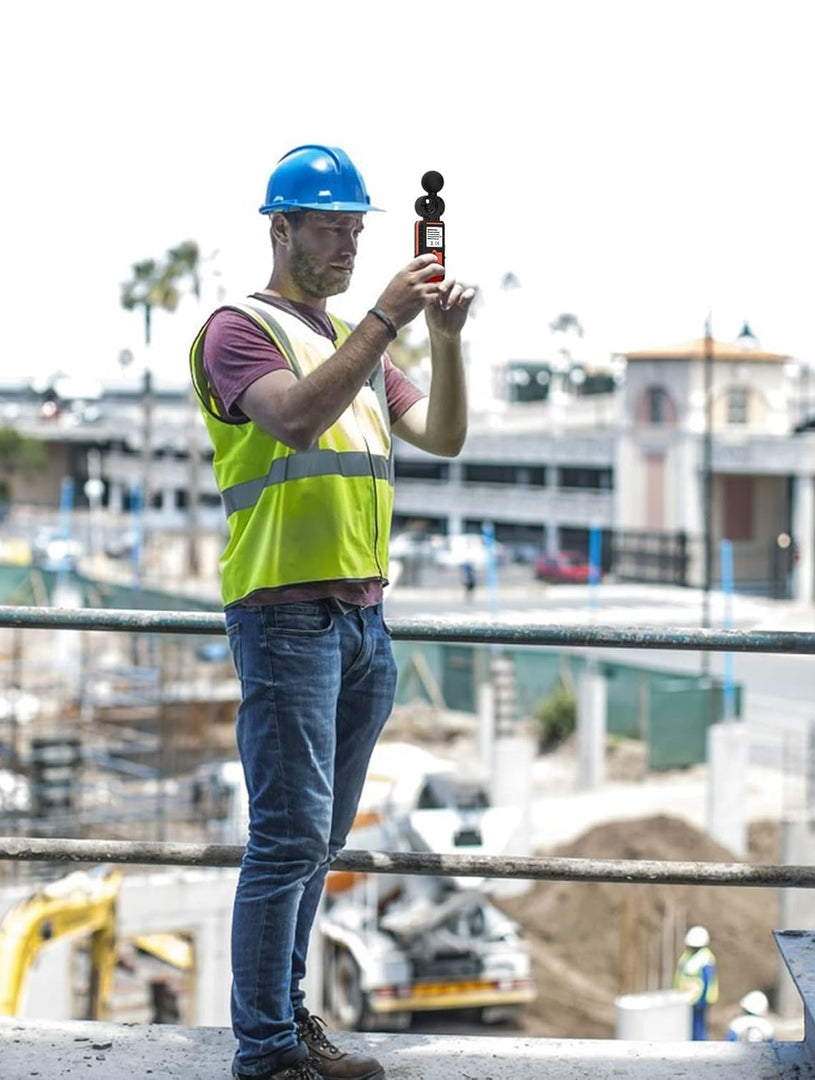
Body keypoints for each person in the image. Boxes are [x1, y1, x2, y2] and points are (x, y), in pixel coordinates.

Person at [189, 145, 474, 1080]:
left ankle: (289, 1023)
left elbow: (441, 434)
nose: (349, 245)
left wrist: (442, 337)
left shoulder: (353, 340)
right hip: (283, 619)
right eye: (331, 228)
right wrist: (389, 317)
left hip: (361, 624)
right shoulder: (238, 331)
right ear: (281, 229)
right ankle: (265, 1051)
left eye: (358, 229)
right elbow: (297, 420)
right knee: (286, 837)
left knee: (321, 841)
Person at [674, 925, 719, 1040]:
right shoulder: (687, 955)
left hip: (698, 1000)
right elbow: (680, 975)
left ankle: (701, 1050)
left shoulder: (705, 957)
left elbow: (707, 980)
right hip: (685, 999)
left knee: (698, 1027)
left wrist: (703, 999)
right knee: (686, 1028)